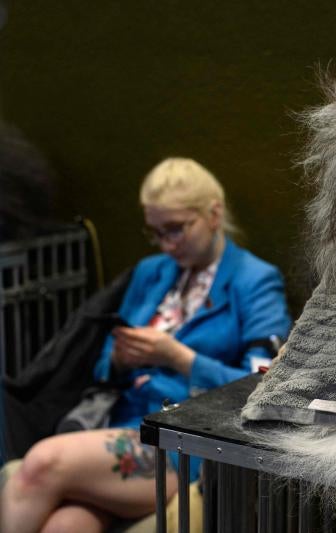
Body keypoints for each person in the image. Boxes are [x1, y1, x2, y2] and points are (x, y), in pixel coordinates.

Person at [0, 157, 292, 532]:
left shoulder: (254, 281)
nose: (166, 245)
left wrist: (180, 359)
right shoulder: (150, 272)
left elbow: (263, 384)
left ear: (214, 214)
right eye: (156, 232)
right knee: (67, 524)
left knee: (42, 462)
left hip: (184, 441)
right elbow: (103, 362)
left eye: (176, 229)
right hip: (122, 421)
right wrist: (119, 360)